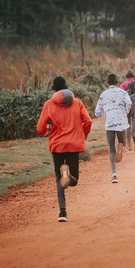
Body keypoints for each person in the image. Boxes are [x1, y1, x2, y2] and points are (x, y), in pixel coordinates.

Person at [37, 76, 92, 222]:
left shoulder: (49, 104)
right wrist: (82, 136)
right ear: (66, 86)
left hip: (57, 145)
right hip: (74, 145)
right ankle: (69, 176)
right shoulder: (77, 103)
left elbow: (40, 128)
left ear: (54, 88)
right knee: (73, 180)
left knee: (59, 178)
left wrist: (46, 130)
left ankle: (62, 212)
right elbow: (88, 121)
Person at [95, 74, 132, 183]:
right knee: (122, 141)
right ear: (117, 82)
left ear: (108, 82)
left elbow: (97, 112)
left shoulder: (103, 94)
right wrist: (125, 112)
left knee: (111, 148)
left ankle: (114, 173)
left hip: (110, 122)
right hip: (121, 121)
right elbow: (129, 103)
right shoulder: (122, 92)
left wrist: (105, 114)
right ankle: (121, 145)